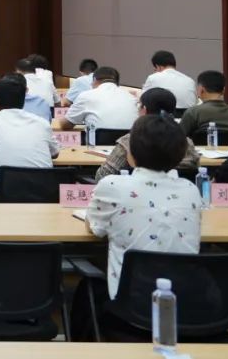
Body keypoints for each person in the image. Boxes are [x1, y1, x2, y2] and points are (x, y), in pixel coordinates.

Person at [84, 113, 201, 302]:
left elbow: (94, 227)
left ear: (131, 152)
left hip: (130, 304)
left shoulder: (112, 186)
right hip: (184, 302)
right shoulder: (191, 190)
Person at [93, 88, 201, 181]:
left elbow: (103, 176)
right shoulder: (185, 142)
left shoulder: (129, 141)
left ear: (144, 110)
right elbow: (194, 170)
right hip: (178, 196)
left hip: (135, 196)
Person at [59, 66, 138, 133]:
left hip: (97, 144)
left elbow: (65, 124)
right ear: (117, 83)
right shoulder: (131, 98)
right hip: (127, 144)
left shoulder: (86, 95)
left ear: (94, 80)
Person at [178, 69, 228, 137]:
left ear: (201, 90)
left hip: (202, 145)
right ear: (223, 90)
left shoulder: (193, 113)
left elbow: (178, 138)